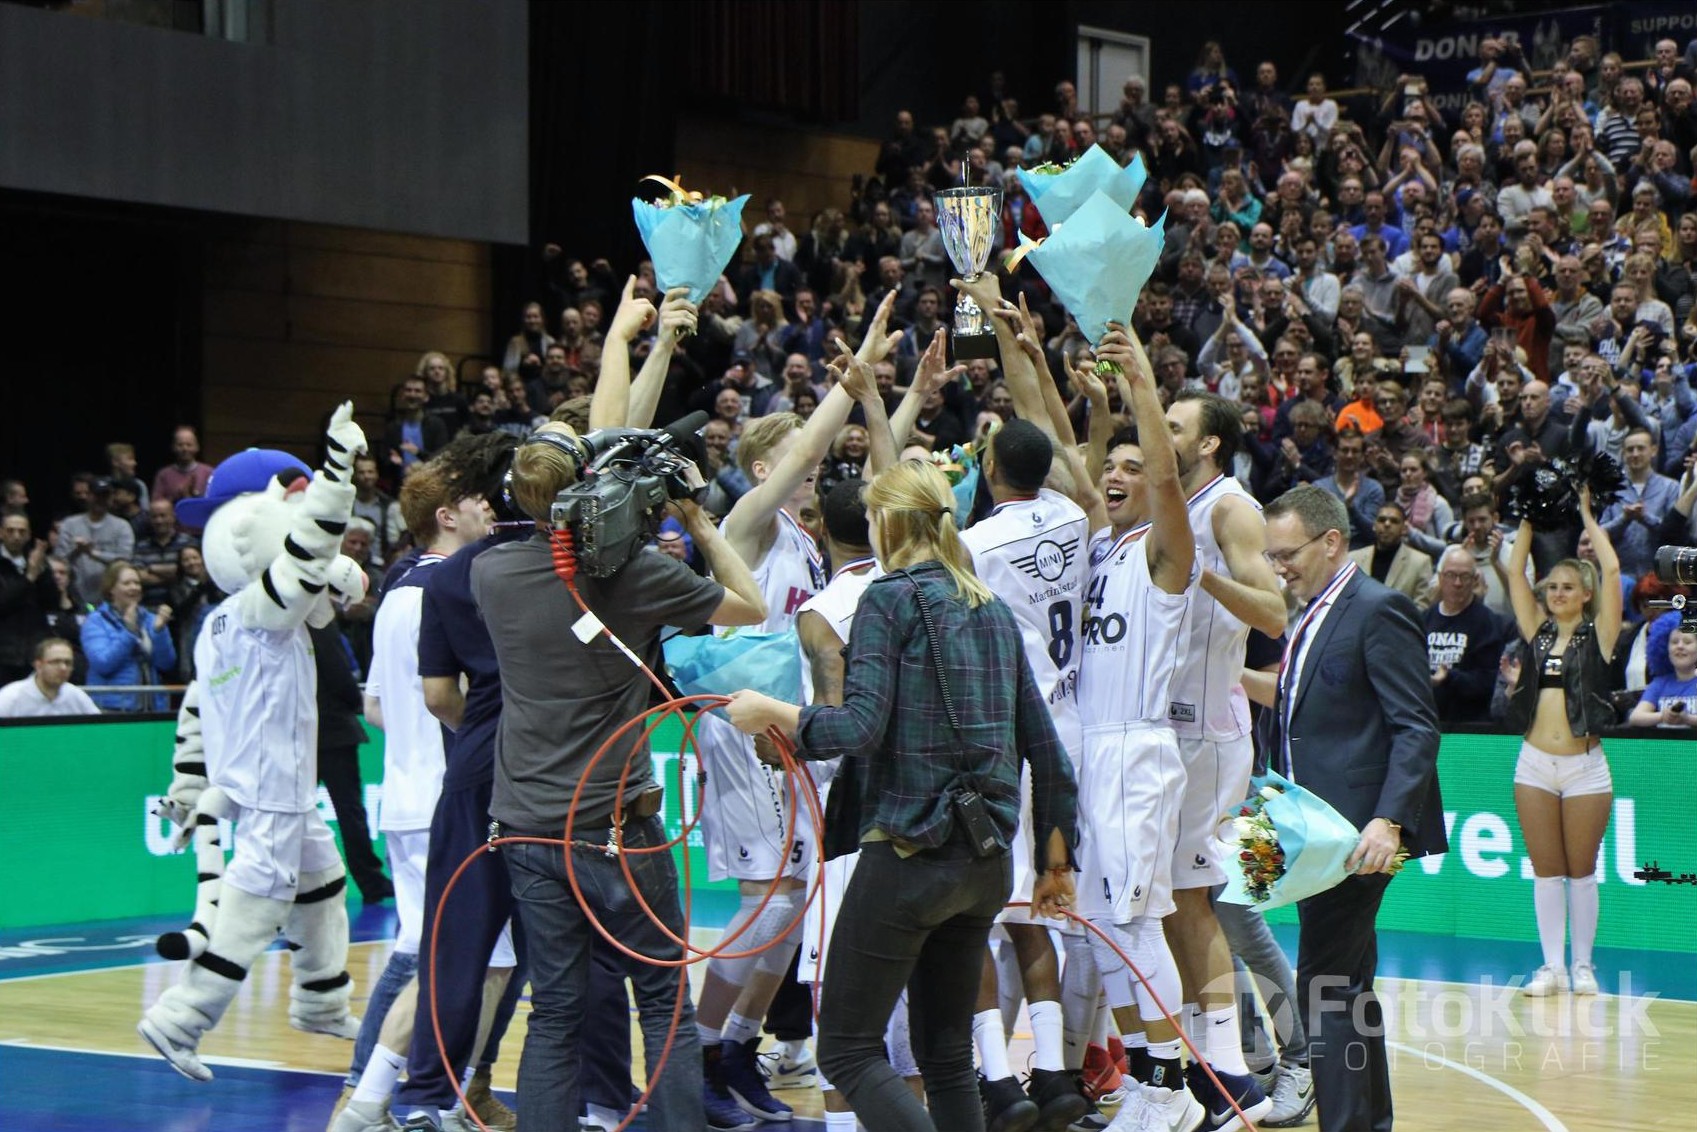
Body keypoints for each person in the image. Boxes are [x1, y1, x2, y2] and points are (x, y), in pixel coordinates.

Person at [724, 460, 1079, 1132]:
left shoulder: (886, 599)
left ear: (885, 521)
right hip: (986, 862)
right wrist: (1057, 864)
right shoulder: (992, 608)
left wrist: (779, 716)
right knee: (945, 1055)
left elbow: (860, 727)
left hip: (910, 854)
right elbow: (1048, 752)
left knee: (846, 1050)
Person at [471, 422, 768, 1132]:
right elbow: (750, 605)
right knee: (663, 1001)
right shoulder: (636, 576)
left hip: (527, 830)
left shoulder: (491, 573)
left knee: (555, 1011)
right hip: (617, 832)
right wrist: (695, 517)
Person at [1245, 484, 1445, 1132]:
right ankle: (1366, 1121)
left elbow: (1416, 726)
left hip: (1354, 833)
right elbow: (1302, 706)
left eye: (1287, 554)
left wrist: (1389, 820)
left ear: (1331, 542)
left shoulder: (1378, 608)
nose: (1279, 567)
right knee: (1346, 984)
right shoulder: (1311, 612)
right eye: (1272, 556)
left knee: (1324, 985)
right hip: (1309, 830)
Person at [1502, 491, 1622, 998]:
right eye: (1552, 586)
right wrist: (1529, 520)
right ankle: (1552, 967)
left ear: (1586, 594)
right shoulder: (1537, 632)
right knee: (1546, 871)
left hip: (1585, 767)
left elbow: (1612, 570)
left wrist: (1588, 517)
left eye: (1567, 587)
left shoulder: (1600, 636)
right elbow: (1514, 572)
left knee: (1582, 870)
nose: (1556, 593)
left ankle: (1583, 966)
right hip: (1533, 764)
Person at [1424, 546, 1510, 725]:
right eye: (1450, 575)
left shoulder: (1488, 623)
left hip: (1469, 725)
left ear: (1475, 580)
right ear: (1440, 578)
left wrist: (1449, 678)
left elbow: (1488, 681)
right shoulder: (1423, 619)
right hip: (1427, 720)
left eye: (1464, 576)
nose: (1457, 583)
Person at [81, 560, 176, 712]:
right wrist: (129, 632)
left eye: (137, 583)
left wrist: (159, 631)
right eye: (126, 583)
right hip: (111, 708)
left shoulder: (150, 619)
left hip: (151, 707)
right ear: (111, 589)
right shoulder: (95, 621)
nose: (134, 587)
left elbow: (166, 663)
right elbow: (103, 664)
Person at [1348, 502, 1434, 607]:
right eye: (1381, 520)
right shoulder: (1353, 558)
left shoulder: (1420, 562)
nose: (1387, 524)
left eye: (1394, 521)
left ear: (1404, 529)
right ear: (1374, 526)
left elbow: (1421, 607)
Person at [0, 636, 99, 717]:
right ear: (38, 665)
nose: (63, 668)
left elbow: (99, 728)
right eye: (55, 662)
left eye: (68, 663)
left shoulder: (77, 696)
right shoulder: (10, 697)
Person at [1628, 626, 1697, 728]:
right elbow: (1635, 717)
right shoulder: (1659, 684)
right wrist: (1662, 716)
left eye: (1687, 642)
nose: (1680, 646)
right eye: (1674, 642)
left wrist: (1687, 719)